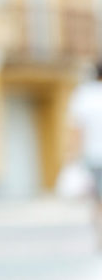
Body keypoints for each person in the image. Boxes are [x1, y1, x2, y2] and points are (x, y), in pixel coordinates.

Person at [69, 62, 102, 249]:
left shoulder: (84, 95)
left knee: (97, 200)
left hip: (93, 156)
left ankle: (100, 237)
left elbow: (77, 130)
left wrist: (73, 156)